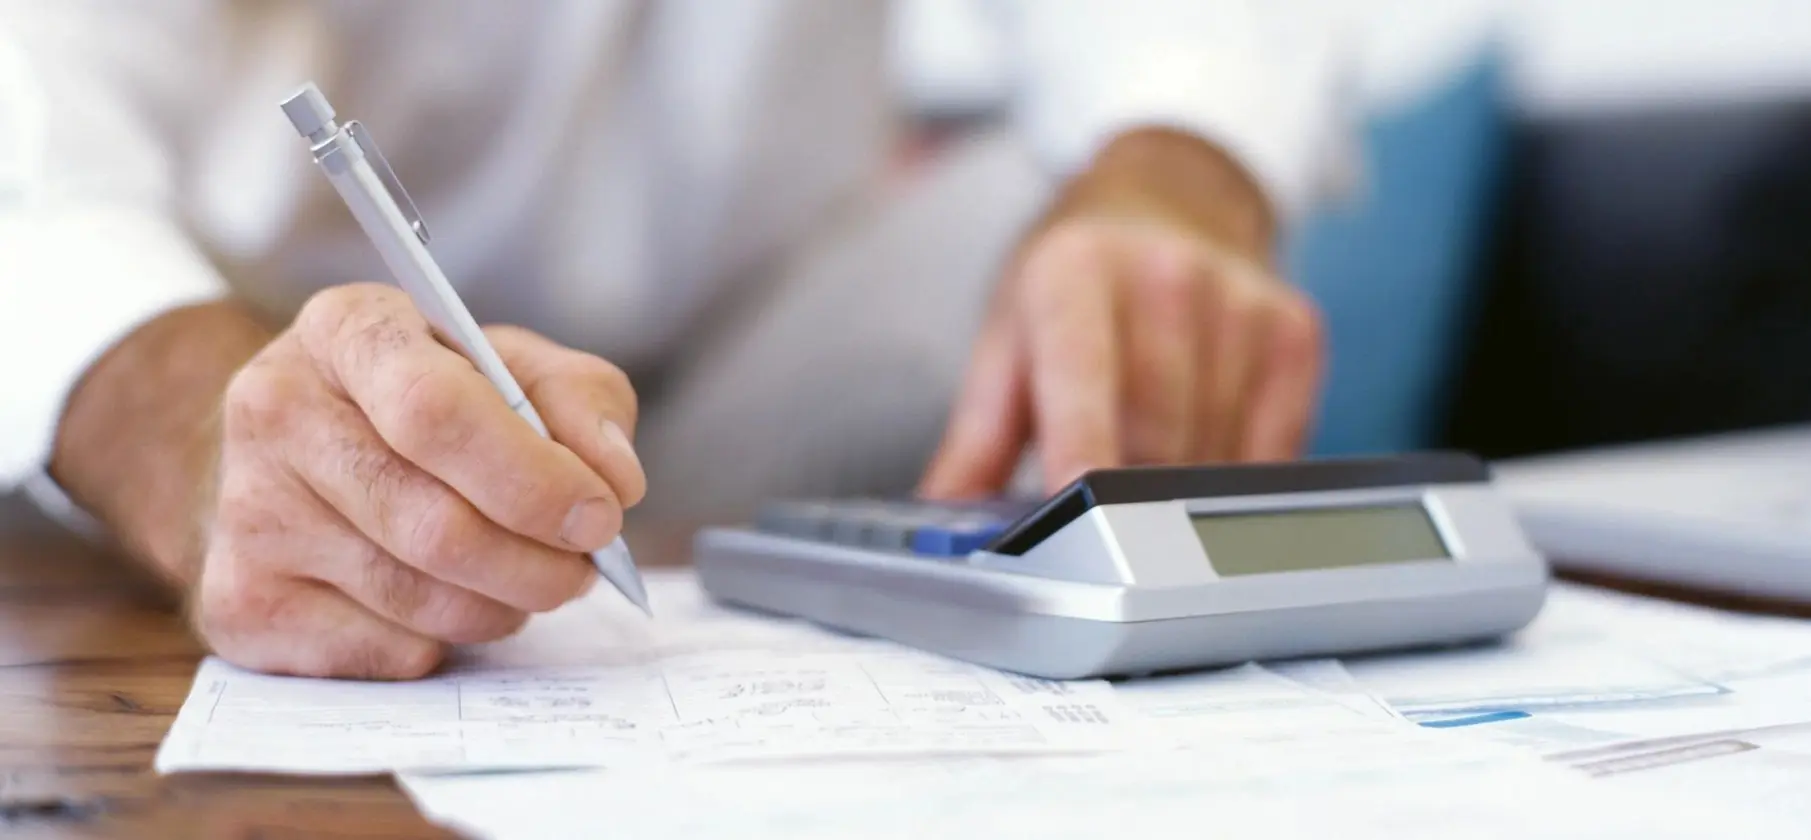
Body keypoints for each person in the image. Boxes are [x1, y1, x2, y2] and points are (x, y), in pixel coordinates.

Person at [0, 2, 1339, 680]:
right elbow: (34, 130)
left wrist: (1177, 170)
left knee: (1015, 225)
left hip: (768, 356)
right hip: (283, 358)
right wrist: (196, 431)